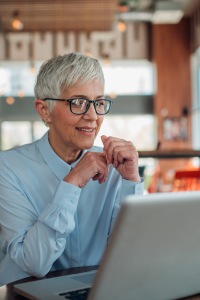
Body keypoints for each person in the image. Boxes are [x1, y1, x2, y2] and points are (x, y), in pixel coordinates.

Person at [0, 53, 144, 286]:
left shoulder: (116, 166)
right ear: (44, 110)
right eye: (78, 102)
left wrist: (131, 183)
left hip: (96, 291)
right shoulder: (7, 168)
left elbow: (131, 256)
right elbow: (34, 263)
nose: (93, 116)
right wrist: (71, 182)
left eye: (98, 103)